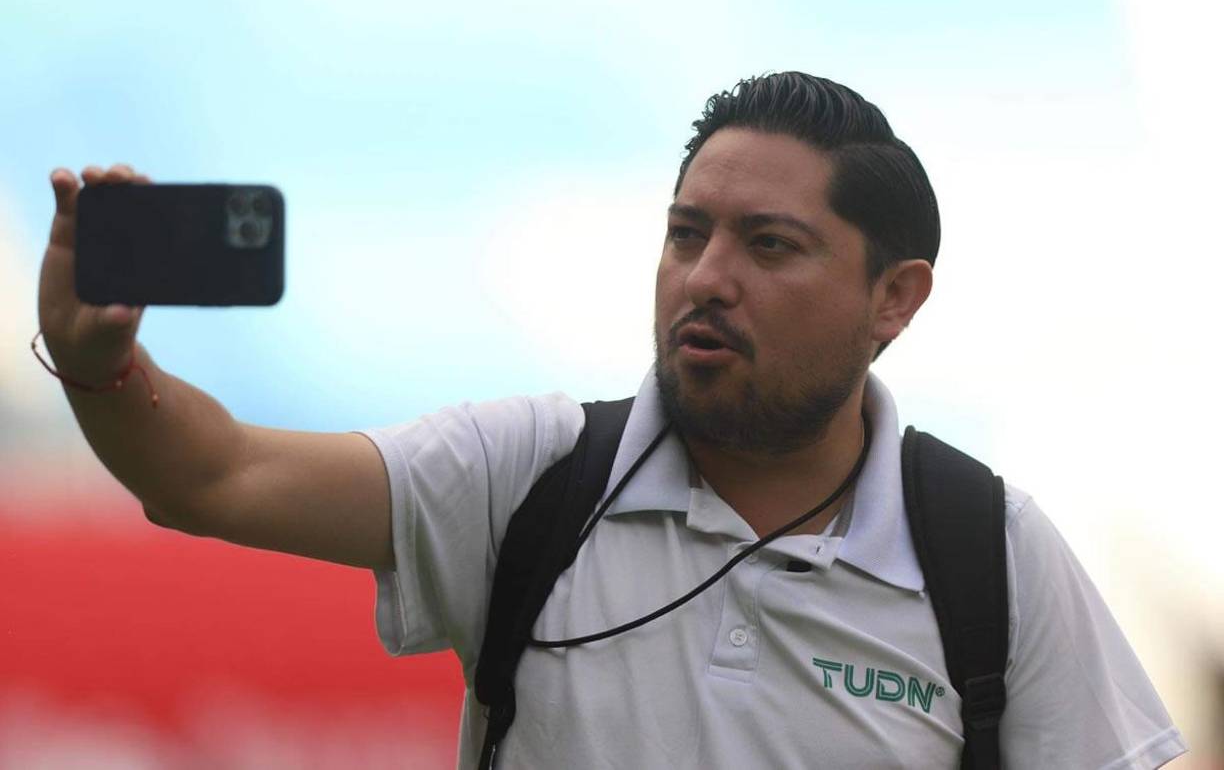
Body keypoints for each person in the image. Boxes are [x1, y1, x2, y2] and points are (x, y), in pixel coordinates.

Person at [38, 72, 1186, 768]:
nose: (706, 277)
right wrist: (103, 364)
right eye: (688, 233)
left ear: (897, 298)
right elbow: (213, 477)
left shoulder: (990, 549)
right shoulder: (530, 474)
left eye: (768, 245)